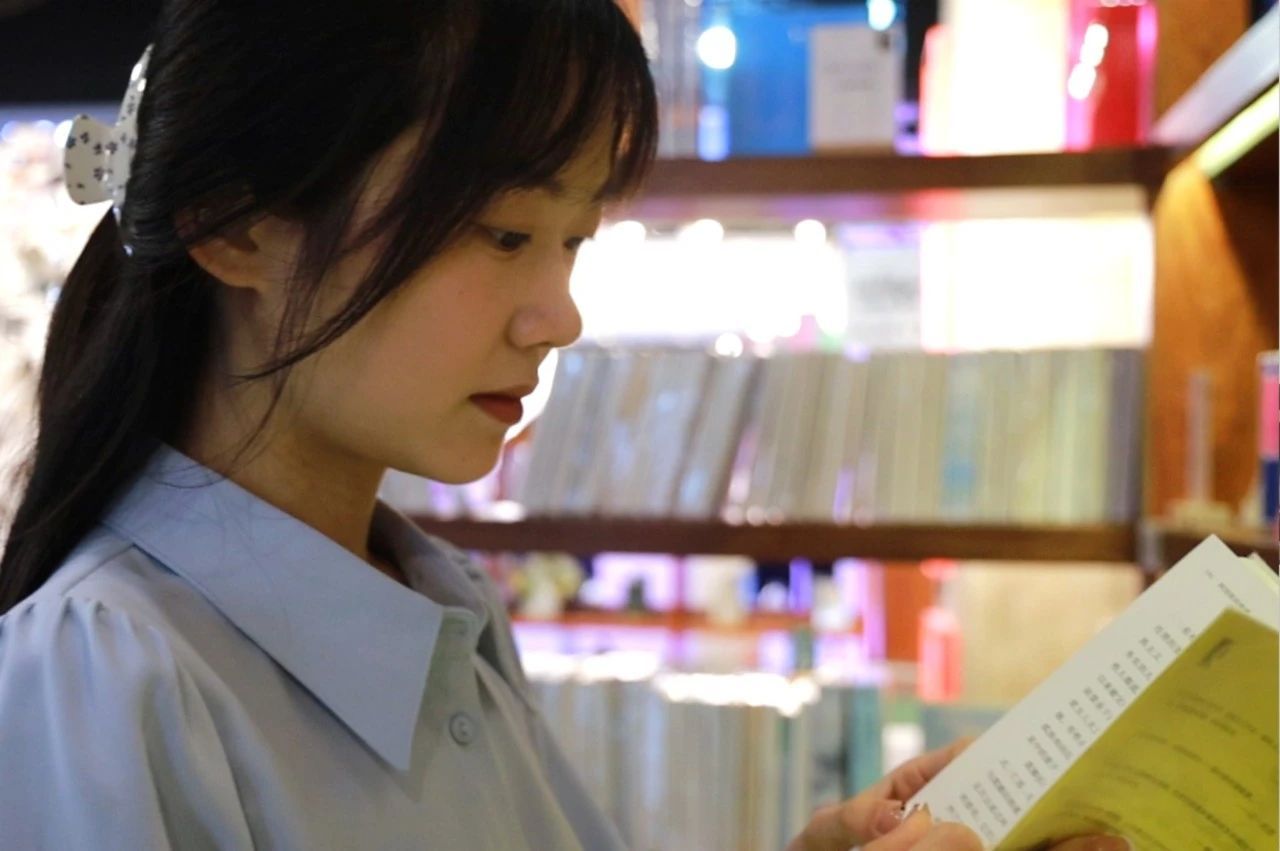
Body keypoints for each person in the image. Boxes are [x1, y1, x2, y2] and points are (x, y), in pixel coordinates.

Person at [0, 2, 1131, 849]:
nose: (561, 315)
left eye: (575, 239)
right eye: (503, 233)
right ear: (237, 228)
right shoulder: (104, 677)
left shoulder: (442, 603)